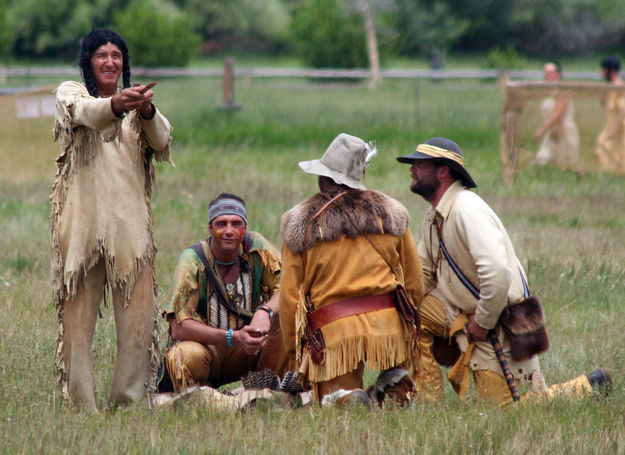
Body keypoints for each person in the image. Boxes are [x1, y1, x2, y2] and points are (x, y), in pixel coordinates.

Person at [397, 137, 612, 407]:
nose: (412, 169)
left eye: (419, 163)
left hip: (498, 324)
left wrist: (483, 322)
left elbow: (497, 274)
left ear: (443, 171)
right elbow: (423, 275)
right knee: (413, 315)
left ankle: (587, 387)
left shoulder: (466, 209)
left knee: (506, 411)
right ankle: (428, 402)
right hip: (463, 313)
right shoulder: (434, 216)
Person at [52, 28, 173, 413]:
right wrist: (117, 105)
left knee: (138, 326)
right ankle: (80, 406)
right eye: (101, 55)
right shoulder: (72, 94)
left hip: (130, 231)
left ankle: (128, 403)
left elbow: (163, 141)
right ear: (88, 61)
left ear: (124, 62)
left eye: (116, 55)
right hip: (81, 232)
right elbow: (87, 114)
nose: (109, 62)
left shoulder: (139, 107)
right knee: (76, 326)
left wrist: (147, 110)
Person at [279, 133, 424, 408]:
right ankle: (394, 388)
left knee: (333, 401)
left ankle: (346, 398)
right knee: (396, 386)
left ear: (323, 178)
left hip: (334, 331)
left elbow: (289, 299)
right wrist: (408, 331)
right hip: (389, 327)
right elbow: (415, 283)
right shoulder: (391, 213)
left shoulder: (301, 222)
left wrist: (293, 350)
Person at [161, 193, 292, 394]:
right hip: (207, 350)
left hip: (248, 348)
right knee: (183, 356)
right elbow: (178, 328)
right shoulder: (192, 259)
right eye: (221, 223)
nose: (229, 231)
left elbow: (287, 287)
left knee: (288, 312)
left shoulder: (255, 247)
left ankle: (267, 388)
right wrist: (233, 337)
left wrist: (264, 312)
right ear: (211, 228)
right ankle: (201, 395)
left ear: (245, 228)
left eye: (236, 223)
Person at [533, 62, 580, 170]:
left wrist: (542, 130)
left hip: (564, 131)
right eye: (546, 74)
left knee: (570, 164)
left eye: (551, 73)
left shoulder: (561, 91)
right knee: (541, 160)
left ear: (558, 75)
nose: (548, 77)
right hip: (552, 131)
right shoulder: (549, 92)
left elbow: (558, 114)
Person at [595, 56, 625, 174]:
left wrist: (614, 130)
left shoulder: (619, 86)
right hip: (610, 124)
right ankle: (610, 172)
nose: (602, 73)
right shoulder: (609, 86)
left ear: (610, 70)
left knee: (613, 148)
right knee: (603, 147)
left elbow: (622, 110)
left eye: (603, 70)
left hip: (619, 126)